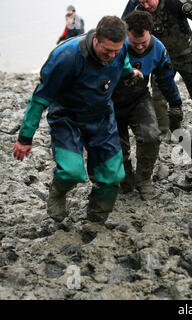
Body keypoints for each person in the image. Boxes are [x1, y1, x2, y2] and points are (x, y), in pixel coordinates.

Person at [13, 16, 142, 227]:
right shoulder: (67, 56)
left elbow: (122, 64)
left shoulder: (120, 49)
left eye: (115, 52)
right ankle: (58, 191)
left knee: (113, 175)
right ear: (96, 38)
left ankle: (95, 218)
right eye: (106, 50)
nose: (110, 56)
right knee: (71, 172)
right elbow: (39, 99)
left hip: (101, 117)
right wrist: (25, 138)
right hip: (67, 118)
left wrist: (130, 73)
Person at [112, 10, 184, 200]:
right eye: (135, 44)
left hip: (139, 98)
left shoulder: (158, 49)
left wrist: (176, 104)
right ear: (127, 35)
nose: (141, 47)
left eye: (144, 42)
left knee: (151, 137)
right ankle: (124, 179)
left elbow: (166, 80)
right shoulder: (116, 46)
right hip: (111, 101)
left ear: (150, 33)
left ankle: (143, 179)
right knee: (117, 146)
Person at [121, 0, 192, 132]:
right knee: (158, 98)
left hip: (187, 56)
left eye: (148, 1)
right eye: (142, 1)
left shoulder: (176, 2)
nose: (146, 6)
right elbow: (125, 30)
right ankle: (164, 131)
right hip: (161, 60)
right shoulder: (138, 9)